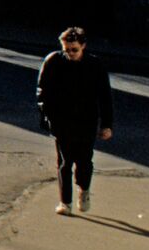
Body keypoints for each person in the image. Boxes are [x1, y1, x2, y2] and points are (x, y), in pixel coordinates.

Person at [36, 26, 115, 216]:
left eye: (74, 49)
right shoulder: (54, 61)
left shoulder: (95, 65)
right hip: (61, 120)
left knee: (84, 161)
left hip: (86, 120)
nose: (70, 53)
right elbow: (42, 91)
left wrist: (107, 125)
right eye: (66, 49)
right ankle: (65, 202)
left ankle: (84, 190)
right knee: (64, 162)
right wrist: (46, 115)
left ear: (83, 46)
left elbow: (105, 96)